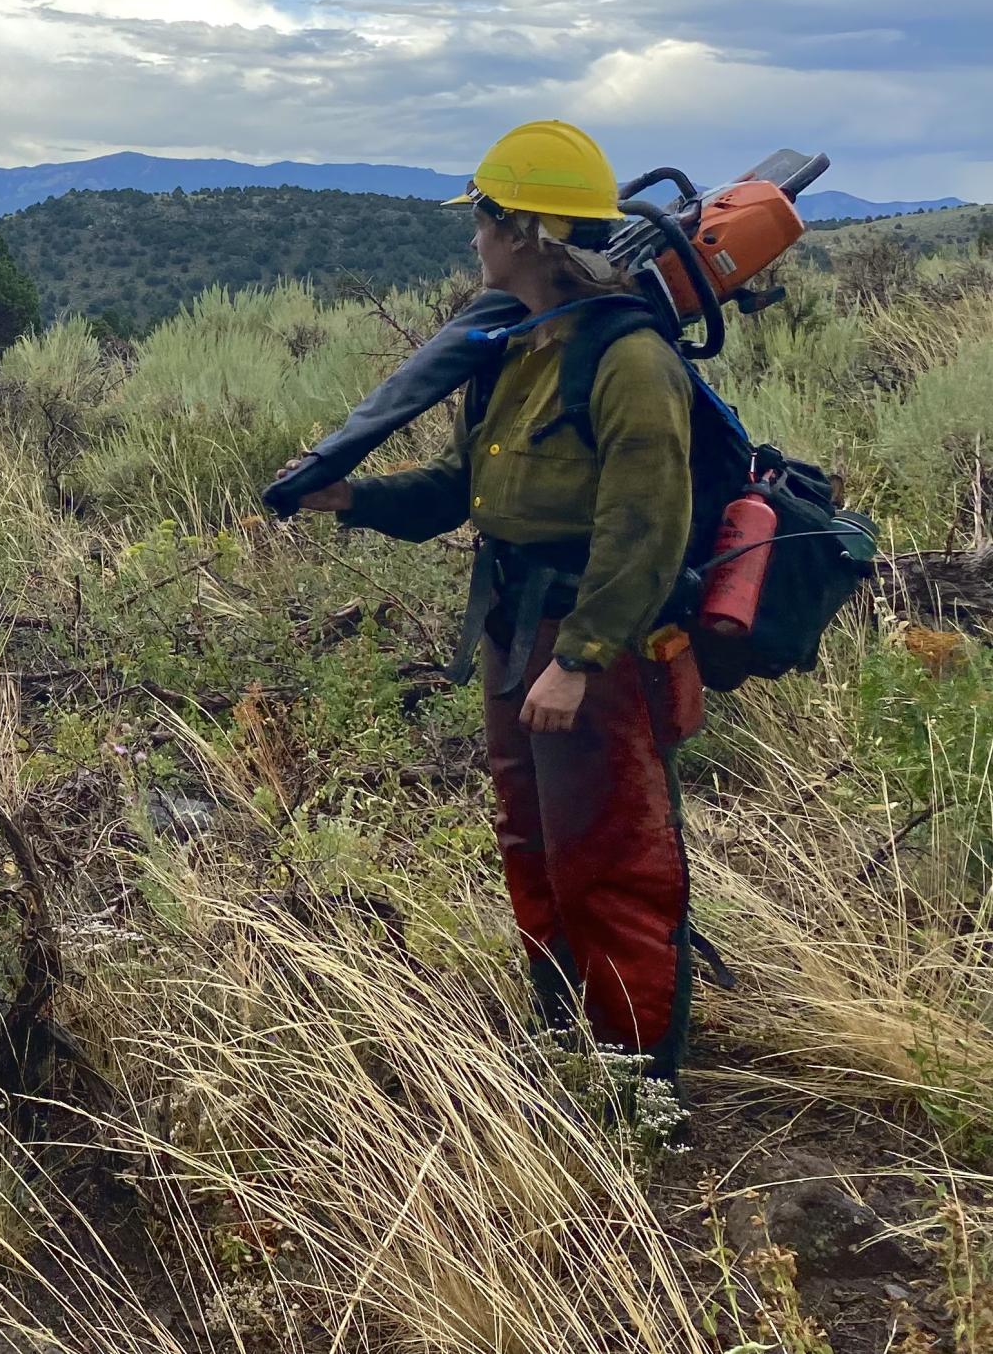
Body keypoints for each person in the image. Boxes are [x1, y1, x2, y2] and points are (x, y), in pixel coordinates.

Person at [297, 119, 706, 1079]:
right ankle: (564, 1034)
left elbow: (647, 526)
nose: (471, 235)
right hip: (514, 625)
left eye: (481, 217)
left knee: (609, 852)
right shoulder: (520, 344)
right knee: (532, 836)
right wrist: (351, 497)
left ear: (521, 231)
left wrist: (580, 659)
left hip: (587, 643)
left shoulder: (630, 361)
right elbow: (462, 490)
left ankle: (638, 1080)